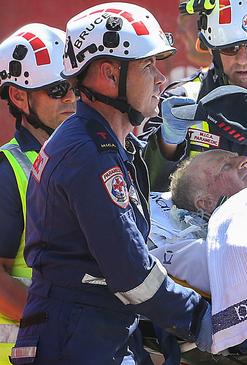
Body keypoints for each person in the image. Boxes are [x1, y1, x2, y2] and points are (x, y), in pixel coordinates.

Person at [10, 4, 214, 364]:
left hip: (91, 336)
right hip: (76, 343)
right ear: (108, 73)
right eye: (148, 66)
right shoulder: (88, 154)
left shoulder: (101, 145)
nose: (161, 79)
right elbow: (133, 274)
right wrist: (204, 319)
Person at [147, 150, 247, 364]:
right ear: (206, 203)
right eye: (226, 166)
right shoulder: (217, 246)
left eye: (235, 156)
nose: (244, 159)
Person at [149, 0, 247, 187]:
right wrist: (166, 145)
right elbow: (148, 189)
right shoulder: (183, 99)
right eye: (230, 48)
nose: (242, 60)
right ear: (212, 49)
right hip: (194, 216)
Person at [0, 23, 76, 364]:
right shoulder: (8, 170)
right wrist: (57, 324)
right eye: (58, 89)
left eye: (75, 86)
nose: (72, 98)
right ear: (19, 96)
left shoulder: (83, 159)